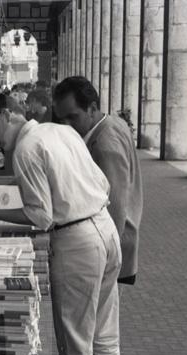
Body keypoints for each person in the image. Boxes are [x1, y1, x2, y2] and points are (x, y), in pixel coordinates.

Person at [0, 93, 123, 355]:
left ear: (6, 116)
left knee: (76, 354)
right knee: (105, 341)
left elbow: (41, 216)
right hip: (105, 228)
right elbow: (102, 183)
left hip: (76, 242)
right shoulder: (61, 131)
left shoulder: (26, 148)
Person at [53, 76, 143, 286]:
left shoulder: (105, 145)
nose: (66, 126)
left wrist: (101, 259)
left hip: (110, 251)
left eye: (73, 117)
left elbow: (114, 208)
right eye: (61, 120)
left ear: (92, 108)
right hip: (115, 245)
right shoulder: (111, 123)